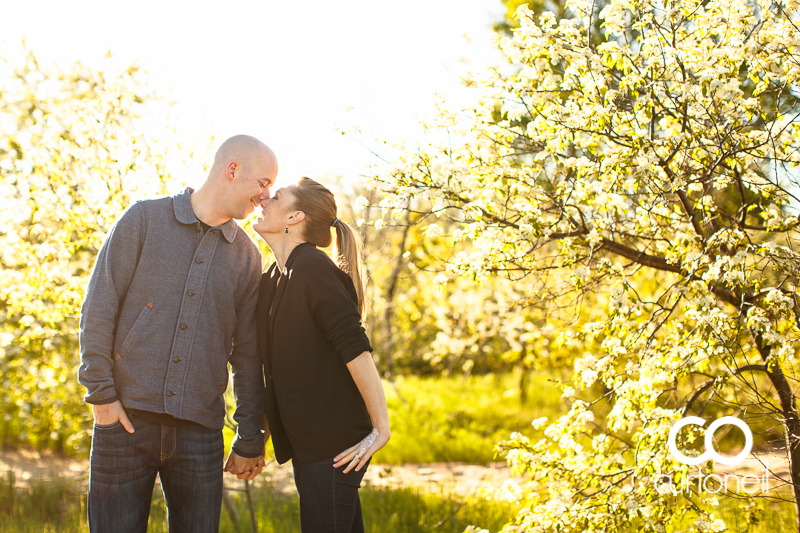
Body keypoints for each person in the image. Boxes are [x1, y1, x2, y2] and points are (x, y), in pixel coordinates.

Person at [78, 135, 277, 533]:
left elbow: (248, 354)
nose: (266, 196)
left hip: (200, 434)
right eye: (263, 183)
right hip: (125, 421)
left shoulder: (246, 257)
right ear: (232, 169)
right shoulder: (143, 219)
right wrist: (102, 396)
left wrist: (249, 435)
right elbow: (98, 308)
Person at [253, 177, 390, 533]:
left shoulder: (313, 268)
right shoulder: (275, 278)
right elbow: (285, 374)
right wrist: (258, 439)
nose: (265, 199)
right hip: (309, 446)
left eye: (277, 196)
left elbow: (355, 348)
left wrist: (381, 428)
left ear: (294, 217)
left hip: (333, 447)